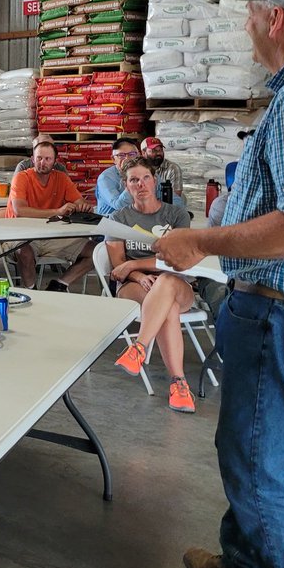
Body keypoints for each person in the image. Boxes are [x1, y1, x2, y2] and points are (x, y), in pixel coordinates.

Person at [155, 0, 284, 568]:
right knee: (248, 450)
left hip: (281, 314)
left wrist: (199, 241)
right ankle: (247, 567)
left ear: (276, 19)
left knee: (260, 464)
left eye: (250, 14)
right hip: (269, 309)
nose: (245, 26)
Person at [105, 157, 196, 412]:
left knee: (166, 282)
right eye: (133, 180)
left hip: (176, 282)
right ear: (126, 185)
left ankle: (138, 348)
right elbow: (118, 267)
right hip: (135, 285)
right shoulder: (118, 218)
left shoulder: (176, 215)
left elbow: (177, 260)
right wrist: (137, 274)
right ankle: (179, 384)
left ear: (154, 181)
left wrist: (135, 265)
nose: (140, 184)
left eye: (145, 178)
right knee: (168, 308)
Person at [0, 140, 96, 290]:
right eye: (39, 158)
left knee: (96, 251)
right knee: (24, 252)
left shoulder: (61, 178)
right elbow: (20, 210)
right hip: (20, 234)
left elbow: (80, 201)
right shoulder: (22, 177)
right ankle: (32, 291)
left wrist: (83, 206)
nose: (42, 162)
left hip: (52, 235)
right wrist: (57, 211)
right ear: (32, 159)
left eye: (47, 159)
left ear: (55, 161)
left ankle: (59, 284)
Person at [94, 138, 141, 216]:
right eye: (121, 155)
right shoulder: (106, 178)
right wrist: (132, 177)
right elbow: (120, 205)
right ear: (113, 159)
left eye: (132, 154)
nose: (127, 159)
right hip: (112, 223)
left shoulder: (147, 172)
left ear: (138, 155)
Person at [140, 136, 186, 207]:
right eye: (154, 150)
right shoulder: (138, 169)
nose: (158, 153)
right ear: (143, 153)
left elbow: (174, 199)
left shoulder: (173, 168)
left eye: (160, 150)